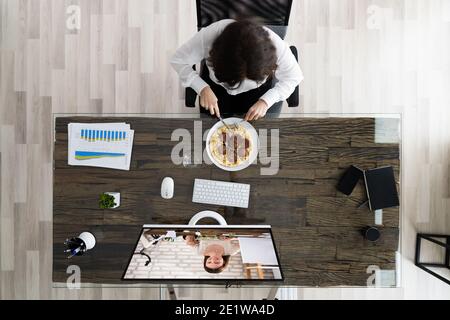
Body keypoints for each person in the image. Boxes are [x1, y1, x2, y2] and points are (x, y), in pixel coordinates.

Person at [171, 18, 303, 120]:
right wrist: (202, 87)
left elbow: (294, 76)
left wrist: (266, 101)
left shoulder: (274, 45)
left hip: (257, 92)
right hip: (216, 88)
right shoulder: (209, 36)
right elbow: (178, 60)